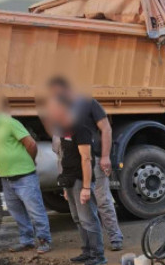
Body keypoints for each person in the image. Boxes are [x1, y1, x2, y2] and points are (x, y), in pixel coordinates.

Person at [48, 77, 123, 251]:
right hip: (73, 168)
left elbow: (106, 128)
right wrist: (64, 180)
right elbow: (60, 146)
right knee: (80, 211)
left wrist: (105, 156)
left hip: (93, 160)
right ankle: (90, 246)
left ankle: (115, 237)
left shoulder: (89, 103)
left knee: (103, 200)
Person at [0, 100, 52, 253]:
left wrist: (29, 162)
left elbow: (31, 144)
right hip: (6, 177)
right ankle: (27, 241)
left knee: (35, 210)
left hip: (24, 175)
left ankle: (44, 241)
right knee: (16, 212)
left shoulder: (8, 122)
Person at [57, 103, 107, 265]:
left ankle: (98, 255)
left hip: (80, 180)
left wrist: (86, 188)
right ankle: (87, 251)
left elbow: (86, 159)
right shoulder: (64, 130)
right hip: (69, 180)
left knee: (88, 219)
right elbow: (65, 157)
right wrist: (65, 187)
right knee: (78, 219)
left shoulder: (81, 129)